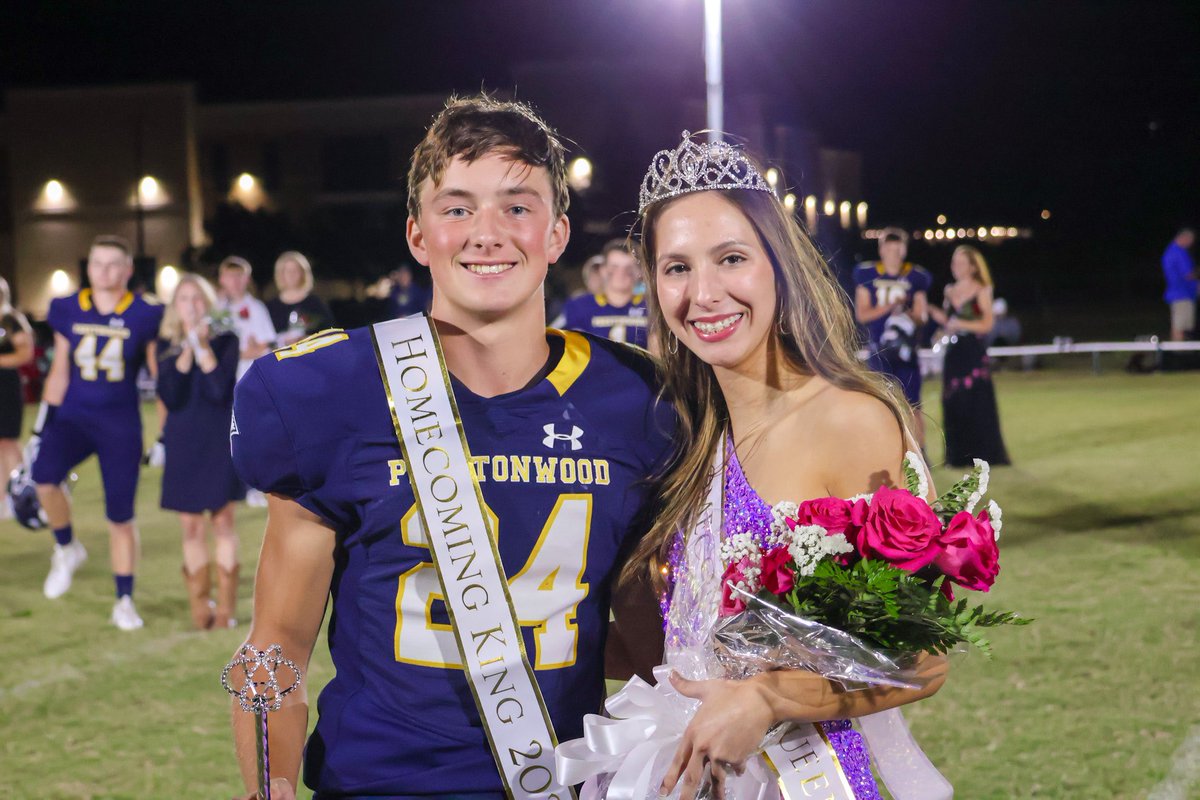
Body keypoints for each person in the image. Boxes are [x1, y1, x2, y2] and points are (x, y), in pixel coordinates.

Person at [229, 95, 672, 800]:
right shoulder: (333, 390)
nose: (487, 233)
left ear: (558, 235)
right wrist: (268, 781)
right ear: (417, 234)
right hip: (376, 784)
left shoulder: (633, 399)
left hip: (561, 783)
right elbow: (277, 639)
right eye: (457, 207)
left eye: (517, 207)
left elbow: (655, 648)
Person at [628, 132, 947, 799]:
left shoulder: (849, 419)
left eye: (732, 258)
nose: (704, 293)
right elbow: (685, 644)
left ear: (778, 264)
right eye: (677, 268)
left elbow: (922, 657)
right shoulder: (693, 438)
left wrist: (769, 699)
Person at [30, 234, 164, 629]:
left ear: (126, 270)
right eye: (96, 263)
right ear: (87, 267)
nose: (103, 271)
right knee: (42, 479)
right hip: (73, 416)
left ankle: (124, 599)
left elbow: (158, 376)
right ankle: (67, 547)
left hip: (119, 423)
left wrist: (166, 432)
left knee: (120, 516)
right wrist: (41, 426)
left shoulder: (144, 313)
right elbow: (59, 370)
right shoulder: (67, 307)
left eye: (112, 264)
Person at [157, 273, 244, 630]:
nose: (191, 306)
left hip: (217, 438)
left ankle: (225, 608)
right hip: (183, 440)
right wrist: (188, 347)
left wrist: (203, 346)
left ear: (207, 304)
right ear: (175, 307)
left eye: (197, 299)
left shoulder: (226, 341)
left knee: (222, 521)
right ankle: (199, 608)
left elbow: (220, 389)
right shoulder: (165, 346)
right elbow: (171, 395)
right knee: (190, 526)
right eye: (184, 299)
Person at [929, 246, 1010, 467]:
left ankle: (984, 455)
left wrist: (960, 323)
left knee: (977, 400)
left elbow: (987, 324)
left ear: (973, 267)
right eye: (954, 262)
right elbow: (948, 323)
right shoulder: (949, 290)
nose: (956, 267)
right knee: (953, 400)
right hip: (953, 352)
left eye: (962, 262)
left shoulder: (982, 289)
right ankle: (957, 456)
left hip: (973, 350)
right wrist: (940, 327)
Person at [853, 227, 931, 447]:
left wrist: (906, 313)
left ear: (904, 250)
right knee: (878, 404)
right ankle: (880, 450)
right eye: (889, 248)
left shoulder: (915, 276)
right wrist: (890, 306)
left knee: (913, 405)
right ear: (881, 249)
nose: (893, 253)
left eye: (897, 248)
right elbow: (863, 313)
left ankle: (920, 455)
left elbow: (921, 315)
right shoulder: (868, 274)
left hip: (906, 350)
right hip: (880, 348)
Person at [559, 239, 649, 347]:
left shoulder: (651, 307)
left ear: (639, 271)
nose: (621, 273)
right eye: (614, 267)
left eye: (629, 268)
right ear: (603, 269)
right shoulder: (580, 306)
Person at [0, 277, 35, 512]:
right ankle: (2, 499)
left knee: (8, 441)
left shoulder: (11, 321)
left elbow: (25, 354)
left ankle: (21, 495)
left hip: (6, 385)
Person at [216, 256, 277, 380]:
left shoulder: (256, 308)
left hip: (248, 376)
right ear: (222, 279)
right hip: (223, 378)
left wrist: (232, 354)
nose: (235, 281)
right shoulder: (217, 309)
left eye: (239, 275)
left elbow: (267, 345)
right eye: (230, 276)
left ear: (247, 279)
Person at [265, 250, 335, 347]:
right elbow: (265, 340)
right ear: (280, 274)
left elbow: (330, 332)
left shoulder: (314, 303)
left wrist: (306, 338)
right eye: (287, 271)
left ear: (303, 273)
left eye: (295, 270)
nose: (291, 275)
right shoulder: (270, 306)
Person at [1162, 227, 1197, 342]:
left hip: (1185, 292)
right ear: (1184, 238)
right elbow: (1188, 274)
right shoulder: (1177, 252)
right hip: (1180, 293)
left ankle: (1183, 351)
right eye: (1190, 241)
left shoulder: (1176, 251)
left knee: (1185, 326)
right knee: (1179, 326)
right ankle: (1178, 352)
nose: (1191, 244)